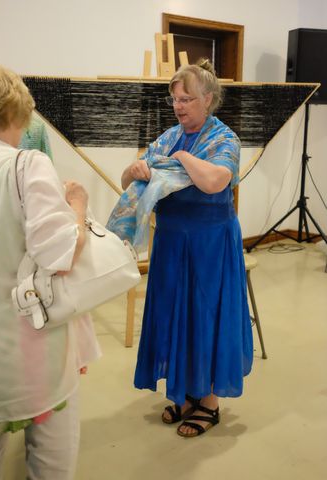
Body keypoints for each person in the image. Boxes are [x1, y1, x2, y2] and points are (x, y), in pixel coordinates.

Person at [0, 63, 101, 478]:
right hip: (30, 358)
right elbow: (61, 253)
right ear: (14, 113)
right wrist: (78, 205)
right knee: (50, 456)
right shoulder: (26, 165)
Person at [120, 59, 253, 438]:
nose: (178, 106)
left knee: (204, 316)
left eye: (187, 99)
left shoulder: (224, 139)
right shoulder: (167, 136)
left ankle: (207, 402)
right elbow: (127, 177)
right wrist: (136, 168)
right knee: (174, 314)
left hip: (210, 246)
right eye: (174, 99)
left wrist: (181, 158)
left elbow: (215, 182)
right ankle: (182, 390)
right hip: (173, 244)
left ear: (208, 99)